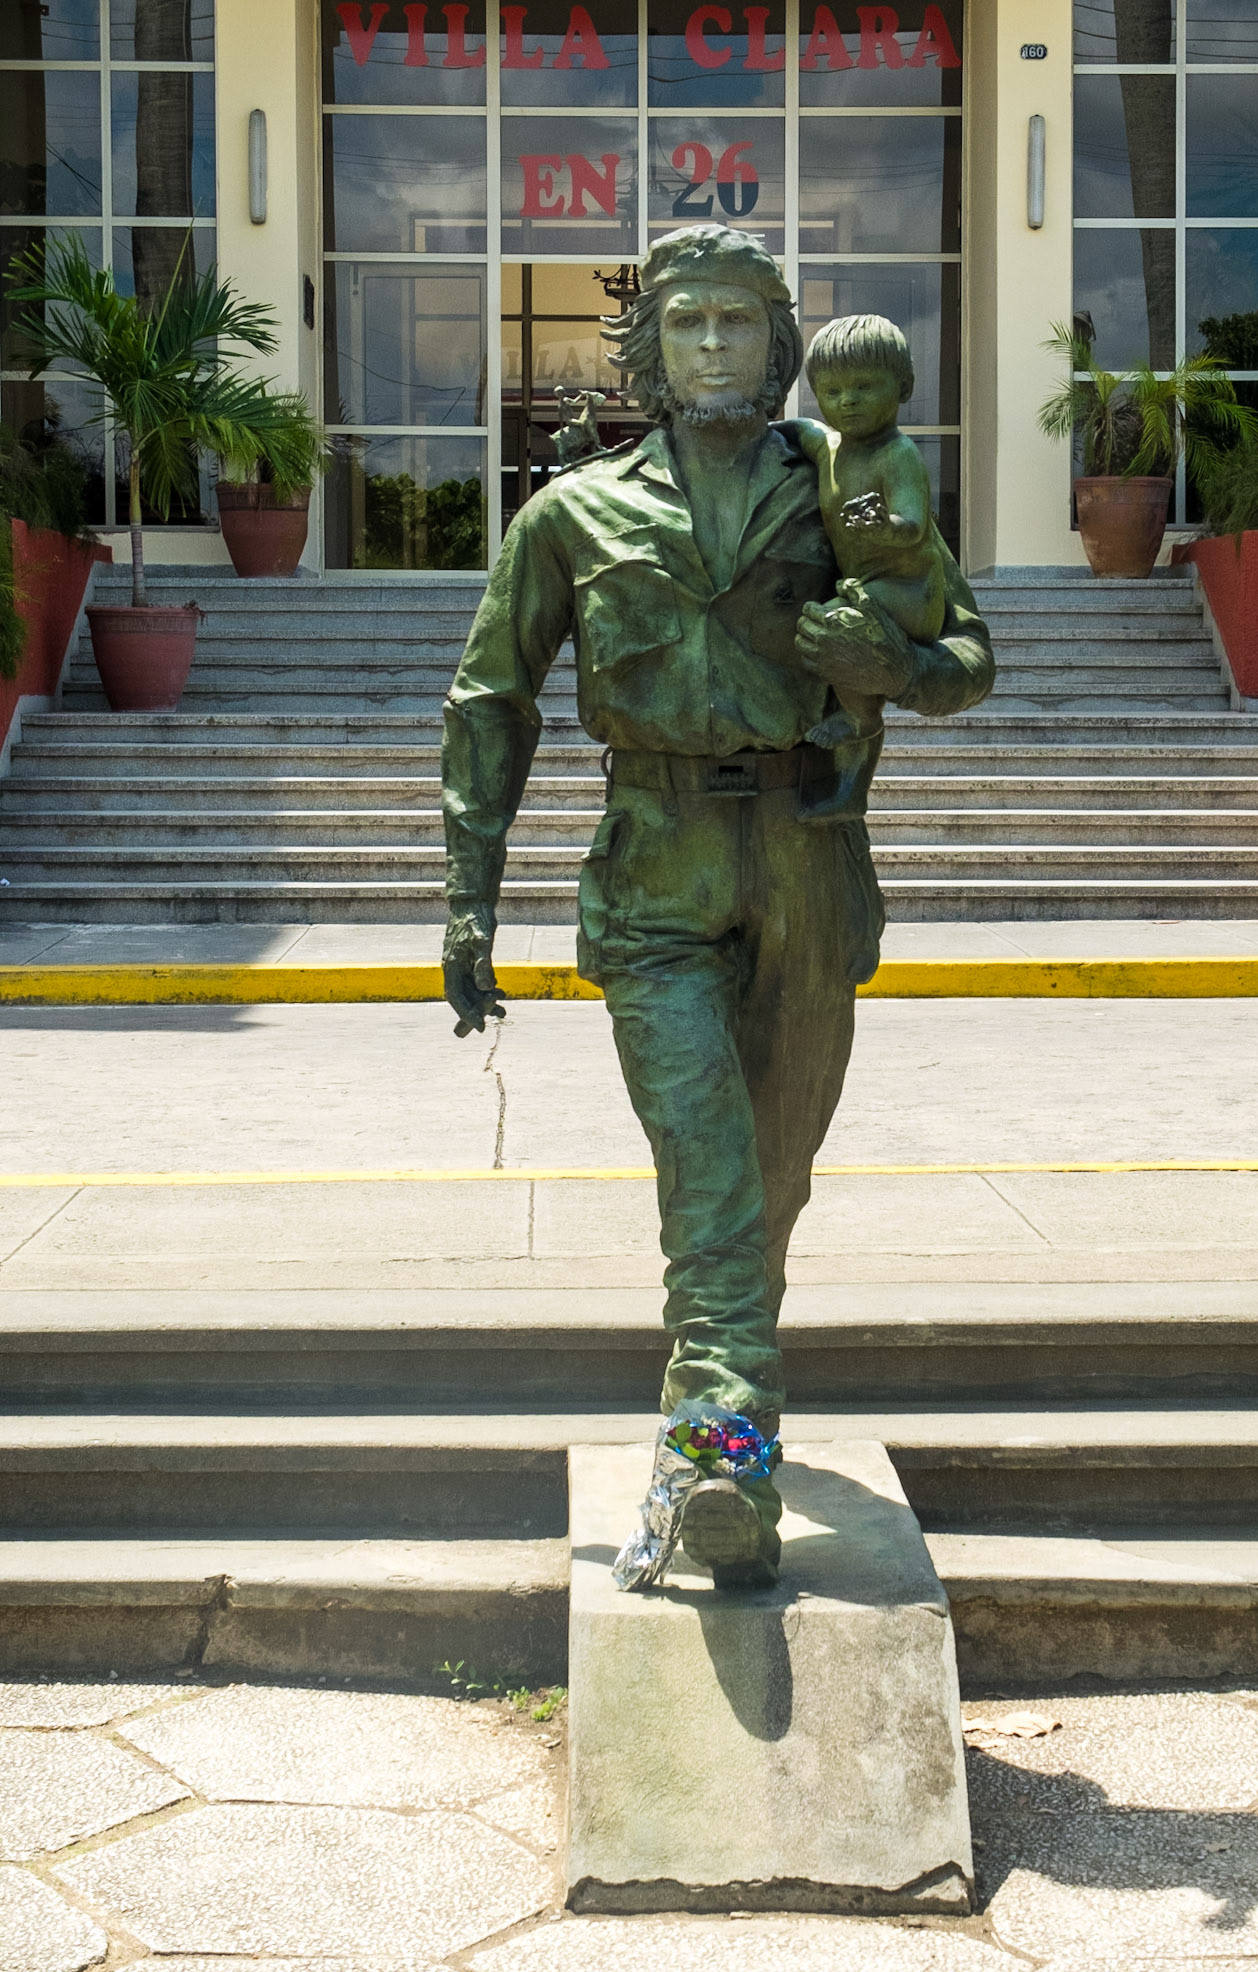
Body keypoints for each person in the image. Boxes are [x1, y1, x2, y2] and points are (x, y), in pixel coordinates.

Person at [440, 224, 994, 1589]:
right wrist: (468, 898)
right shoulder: (572, 515)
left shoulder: (854, 489)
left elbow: (966, 655)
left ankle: (720, 1394)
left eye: (736, 323)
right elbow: (491, 700)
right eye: (686, 324)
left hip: (810, 857)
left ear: (779, 345)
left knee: (769, 1179)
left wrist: (895, 663)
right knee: (710, 1170)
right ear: (649, 351)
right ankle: (722, 1454)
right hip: (657, 862)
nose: (711, 346)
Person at [796, 314, 947, 823]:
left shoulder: (897, 454)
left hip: (910, 593)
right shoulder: (828, 447)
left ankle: (860, 717)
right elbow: (797, 430)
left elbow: (914, 525)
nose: (848, 401)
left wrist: (885, 526)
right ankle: (848, 774)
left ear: (903, 387)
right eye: (832, 391)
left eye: (864, 387)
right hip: (864, 587)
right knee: (828, 628)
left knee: (840, 628)